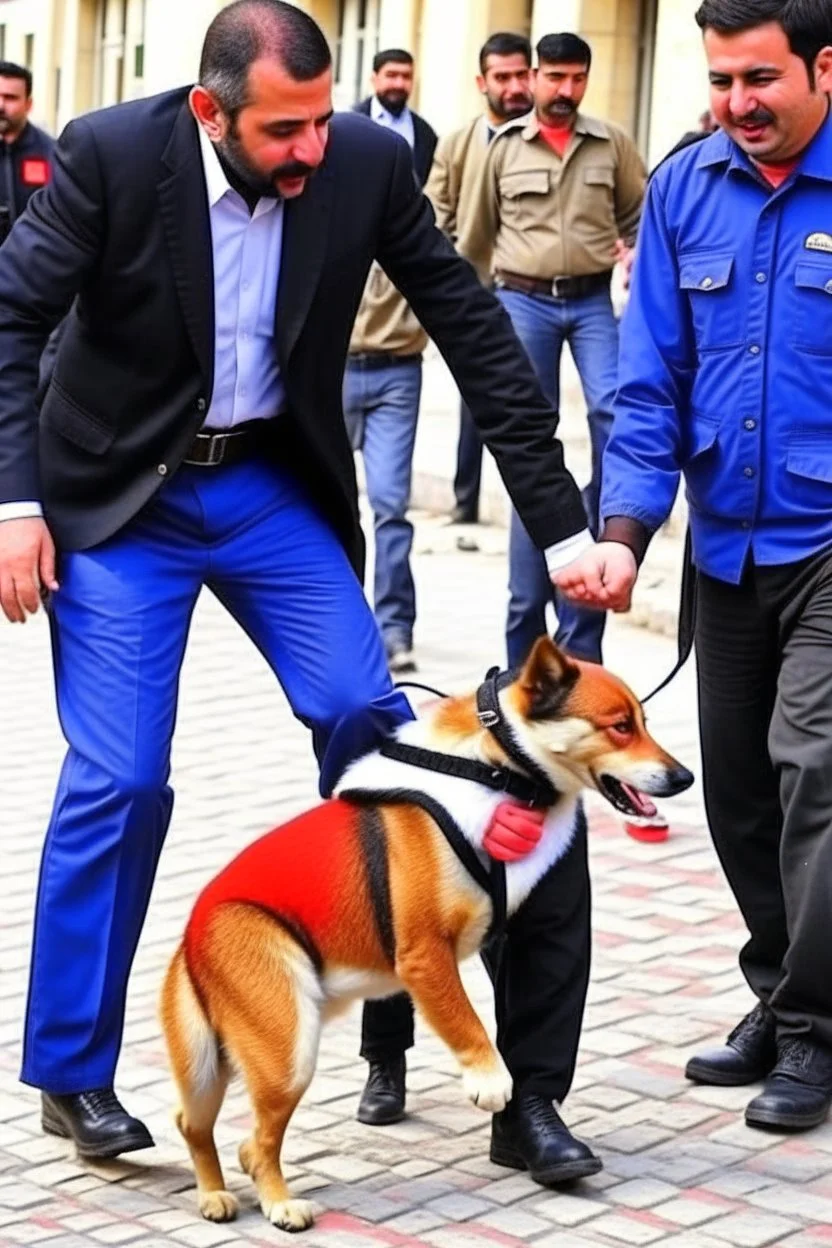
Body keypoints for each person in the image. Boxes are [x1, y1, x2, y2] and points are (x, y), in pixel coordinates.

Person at [0, 0, 593, 1165]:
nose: (311, 148)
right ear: (212, 111)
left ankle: (404, 1014)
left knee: (370, 723)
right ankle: (72, 1071)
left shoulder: (365, 159)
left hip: (269, 487)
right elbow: (11, 317)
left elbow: (471, 328)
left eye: (321, 120)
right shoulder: (113, 155)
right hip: (123, 503)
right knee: (120, 778)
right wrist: (16, 505)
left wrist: (561, 523)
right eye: (285, 130)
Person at [555, 0, 832, 1134]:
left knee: (812, 767)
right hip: (725, 544)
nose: (737, 105)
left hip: (826, 541)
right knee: (733, 788)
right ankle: (780, 985)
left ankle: (815, 1033)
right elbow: (650, 379)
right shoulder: (681, 189)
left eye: (759, 78)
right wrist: (621, 530)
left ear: (824, 65)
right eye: (721, 80)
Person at [458, 33, 645, 672]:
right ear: (534, 76)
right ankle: (523, 635)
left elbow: (640, 215)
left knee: (614, 423)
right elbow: (475, 239)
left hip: (593, 301)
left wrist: (637, 258)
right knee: (529, 448)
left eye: (576, 79)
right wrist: (472, 325)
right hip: (522, 302)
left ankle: (583, 633)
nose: (565, 91)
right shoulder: (503, 148)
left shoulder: (612, 143)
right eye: (555, 78)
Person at [345, 51, 432, 676]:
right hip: (335, 370)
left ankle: (394, 627)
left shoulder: (424, 146)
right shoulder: (332, 211)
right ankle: (340, 625)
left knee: (391, 505)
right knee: (329, 504)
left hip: (399, 370)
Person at [425, 31, 534, 527]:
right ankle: (465, 497)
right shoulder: (457, 143)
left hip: (528, 290)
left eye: (521, 75)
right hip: (473, 288)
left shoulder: (545, 138)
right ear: (482, 81)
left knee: (520, 396)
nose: (514, 86)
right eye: (502, 77)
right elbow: (433, 212)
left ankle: (531, 502)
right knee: (477, 399)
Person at [354, 48, 437, 185]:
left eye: (406, 76)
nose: (399, 84)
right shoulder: (351, 124)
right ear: (374, 79)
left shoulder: (424, 133)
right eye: (391, 75)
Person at [0, 62, 55, 245]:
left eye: (10, 98)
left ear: (28, 104)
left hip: (29, 267)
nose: (1, 105)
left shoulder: (52, 153)